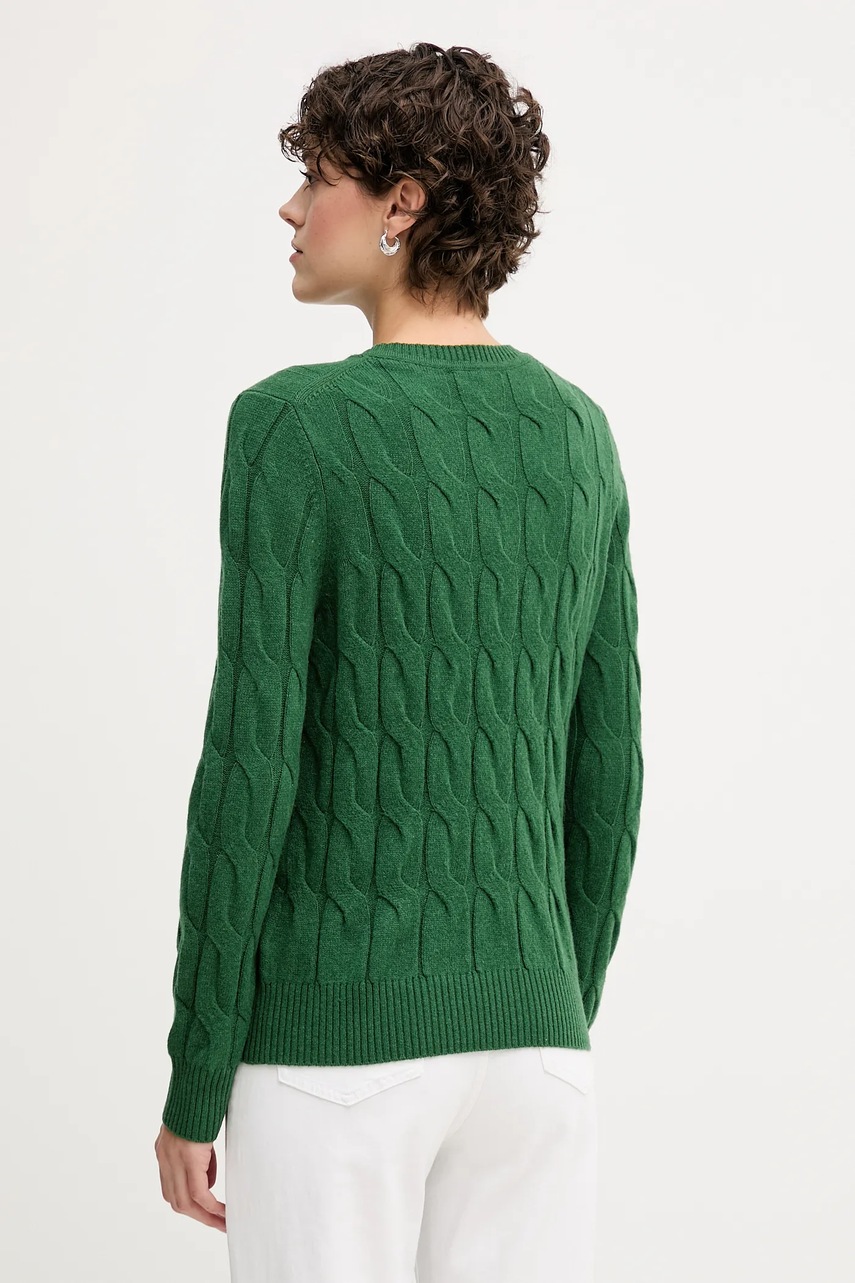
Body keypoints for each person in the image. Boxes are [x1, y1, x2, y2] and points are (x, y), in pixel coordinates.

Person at [153, 40, 644, 1283]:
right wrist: (551, 1005)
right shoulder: (578, 433)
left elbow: (249, 769)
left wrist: (196, 1076)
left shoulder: (293, 427)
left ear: (402, 203)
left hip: (337, 1054)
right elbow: (610, 771)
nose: (291, 208)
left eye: (317, 177)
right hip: (536, 1057)